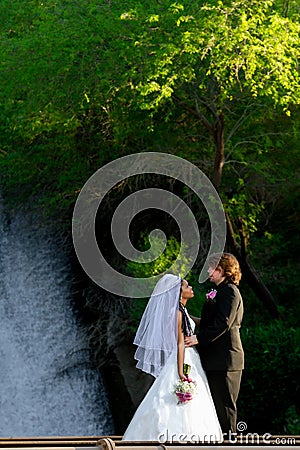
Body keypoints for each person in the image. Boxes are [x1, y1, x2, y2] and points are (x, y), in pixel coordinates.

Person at [122, 274, 223, 444]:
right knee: (176, 397)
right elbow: (180, 343)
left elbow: (201, 323)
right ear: (178, 293)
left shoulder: (183, 311)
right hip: (183, 358)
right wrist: (180, 370)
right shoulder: (177, 313)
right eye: (186, 287)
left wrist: (211, 305)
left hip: (190, 357)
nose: (191, 288)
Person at [185, 253, 244, 437]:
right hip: (216, 360)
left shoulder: (230, 291)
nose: (209, 271)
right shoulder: (222, 291)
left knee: (225, 408)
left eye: (213, 268)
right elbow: (212, 322)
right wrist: (185, 316)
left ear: (224, 270)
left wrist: (198, 338)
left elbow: (224, 324)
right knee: (217, 408)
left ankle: (231, 446)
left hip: (226, 359)